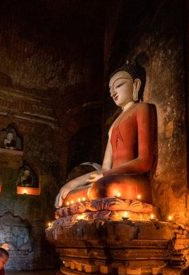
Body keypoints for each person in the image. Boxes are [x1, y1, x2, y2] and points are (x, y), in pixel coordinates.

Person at [55, 62, 156, 207]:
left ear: (136, 85)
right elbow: (104, 168)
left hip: (132, 180)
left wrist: (104, 175)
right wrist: (72, 183)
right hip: (109, 178)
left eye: (119, 85)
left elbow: (144, 161)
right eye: (110, 89)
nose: (113, 92)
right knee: (69, 196)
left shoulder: (142, 109)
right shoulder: (114, 124)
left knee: (102, 188)